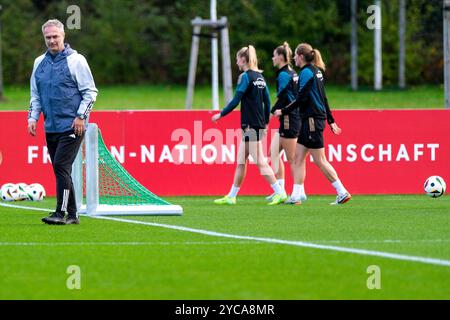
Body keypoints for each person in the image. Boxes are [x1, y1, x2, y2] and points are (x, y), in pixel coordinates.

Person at [28, 19, 98, 224]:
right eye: (48, 37)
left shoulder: (77, 60)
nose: (52, 41)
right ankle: (73, 215)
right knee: (62, 169)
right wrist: (33, 117)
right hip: (50, 126)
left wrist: (80, 117)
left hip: (72, 125)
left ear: (63, 36)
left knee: (60, 165)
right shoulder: (38, 62)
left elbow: (90, 92)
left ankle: (60, 212)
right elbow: (35, 94)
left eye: (55, 36)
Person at [274, 43, 351, 205]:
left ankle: (341, 191)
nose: (294, 58)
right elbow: (324, 98)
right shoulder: (316, 72)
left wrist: (284, 110)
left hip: (311, 120)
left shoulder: (306, 73)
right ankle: (296, 196)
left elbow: (301, 98)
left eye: (295, 55)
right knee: (298, 158)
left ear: (301, 56)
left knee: (319, 160)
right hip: (312, 119)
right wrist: (330, 120)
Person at [212, 45, 287, 205]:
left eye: (237, 59)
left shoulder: (246, 77)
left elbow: (236, 99)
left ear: (243, 59)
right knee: (241, 160)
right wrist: (266, 122)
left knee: (260, 161)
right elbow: (267, 101)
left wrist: (221, 114)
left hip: (250, 125)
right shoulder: (260, 77)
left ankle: (280, 192)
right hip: (257, 123)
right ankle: (232, 196)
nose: (236, 62)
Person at [266, 42, 300, 204]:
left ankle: (297, 194)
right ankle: (280, 191)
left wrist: (273, 110)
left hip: (289, 118)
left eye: (274, 55)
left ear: (280, 57)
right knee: (273, 152)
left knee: (293, 159)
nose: (272, 58)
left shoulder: (283, 75)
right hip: (289, 117)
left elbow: (284, 97)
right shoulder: (292, 73)